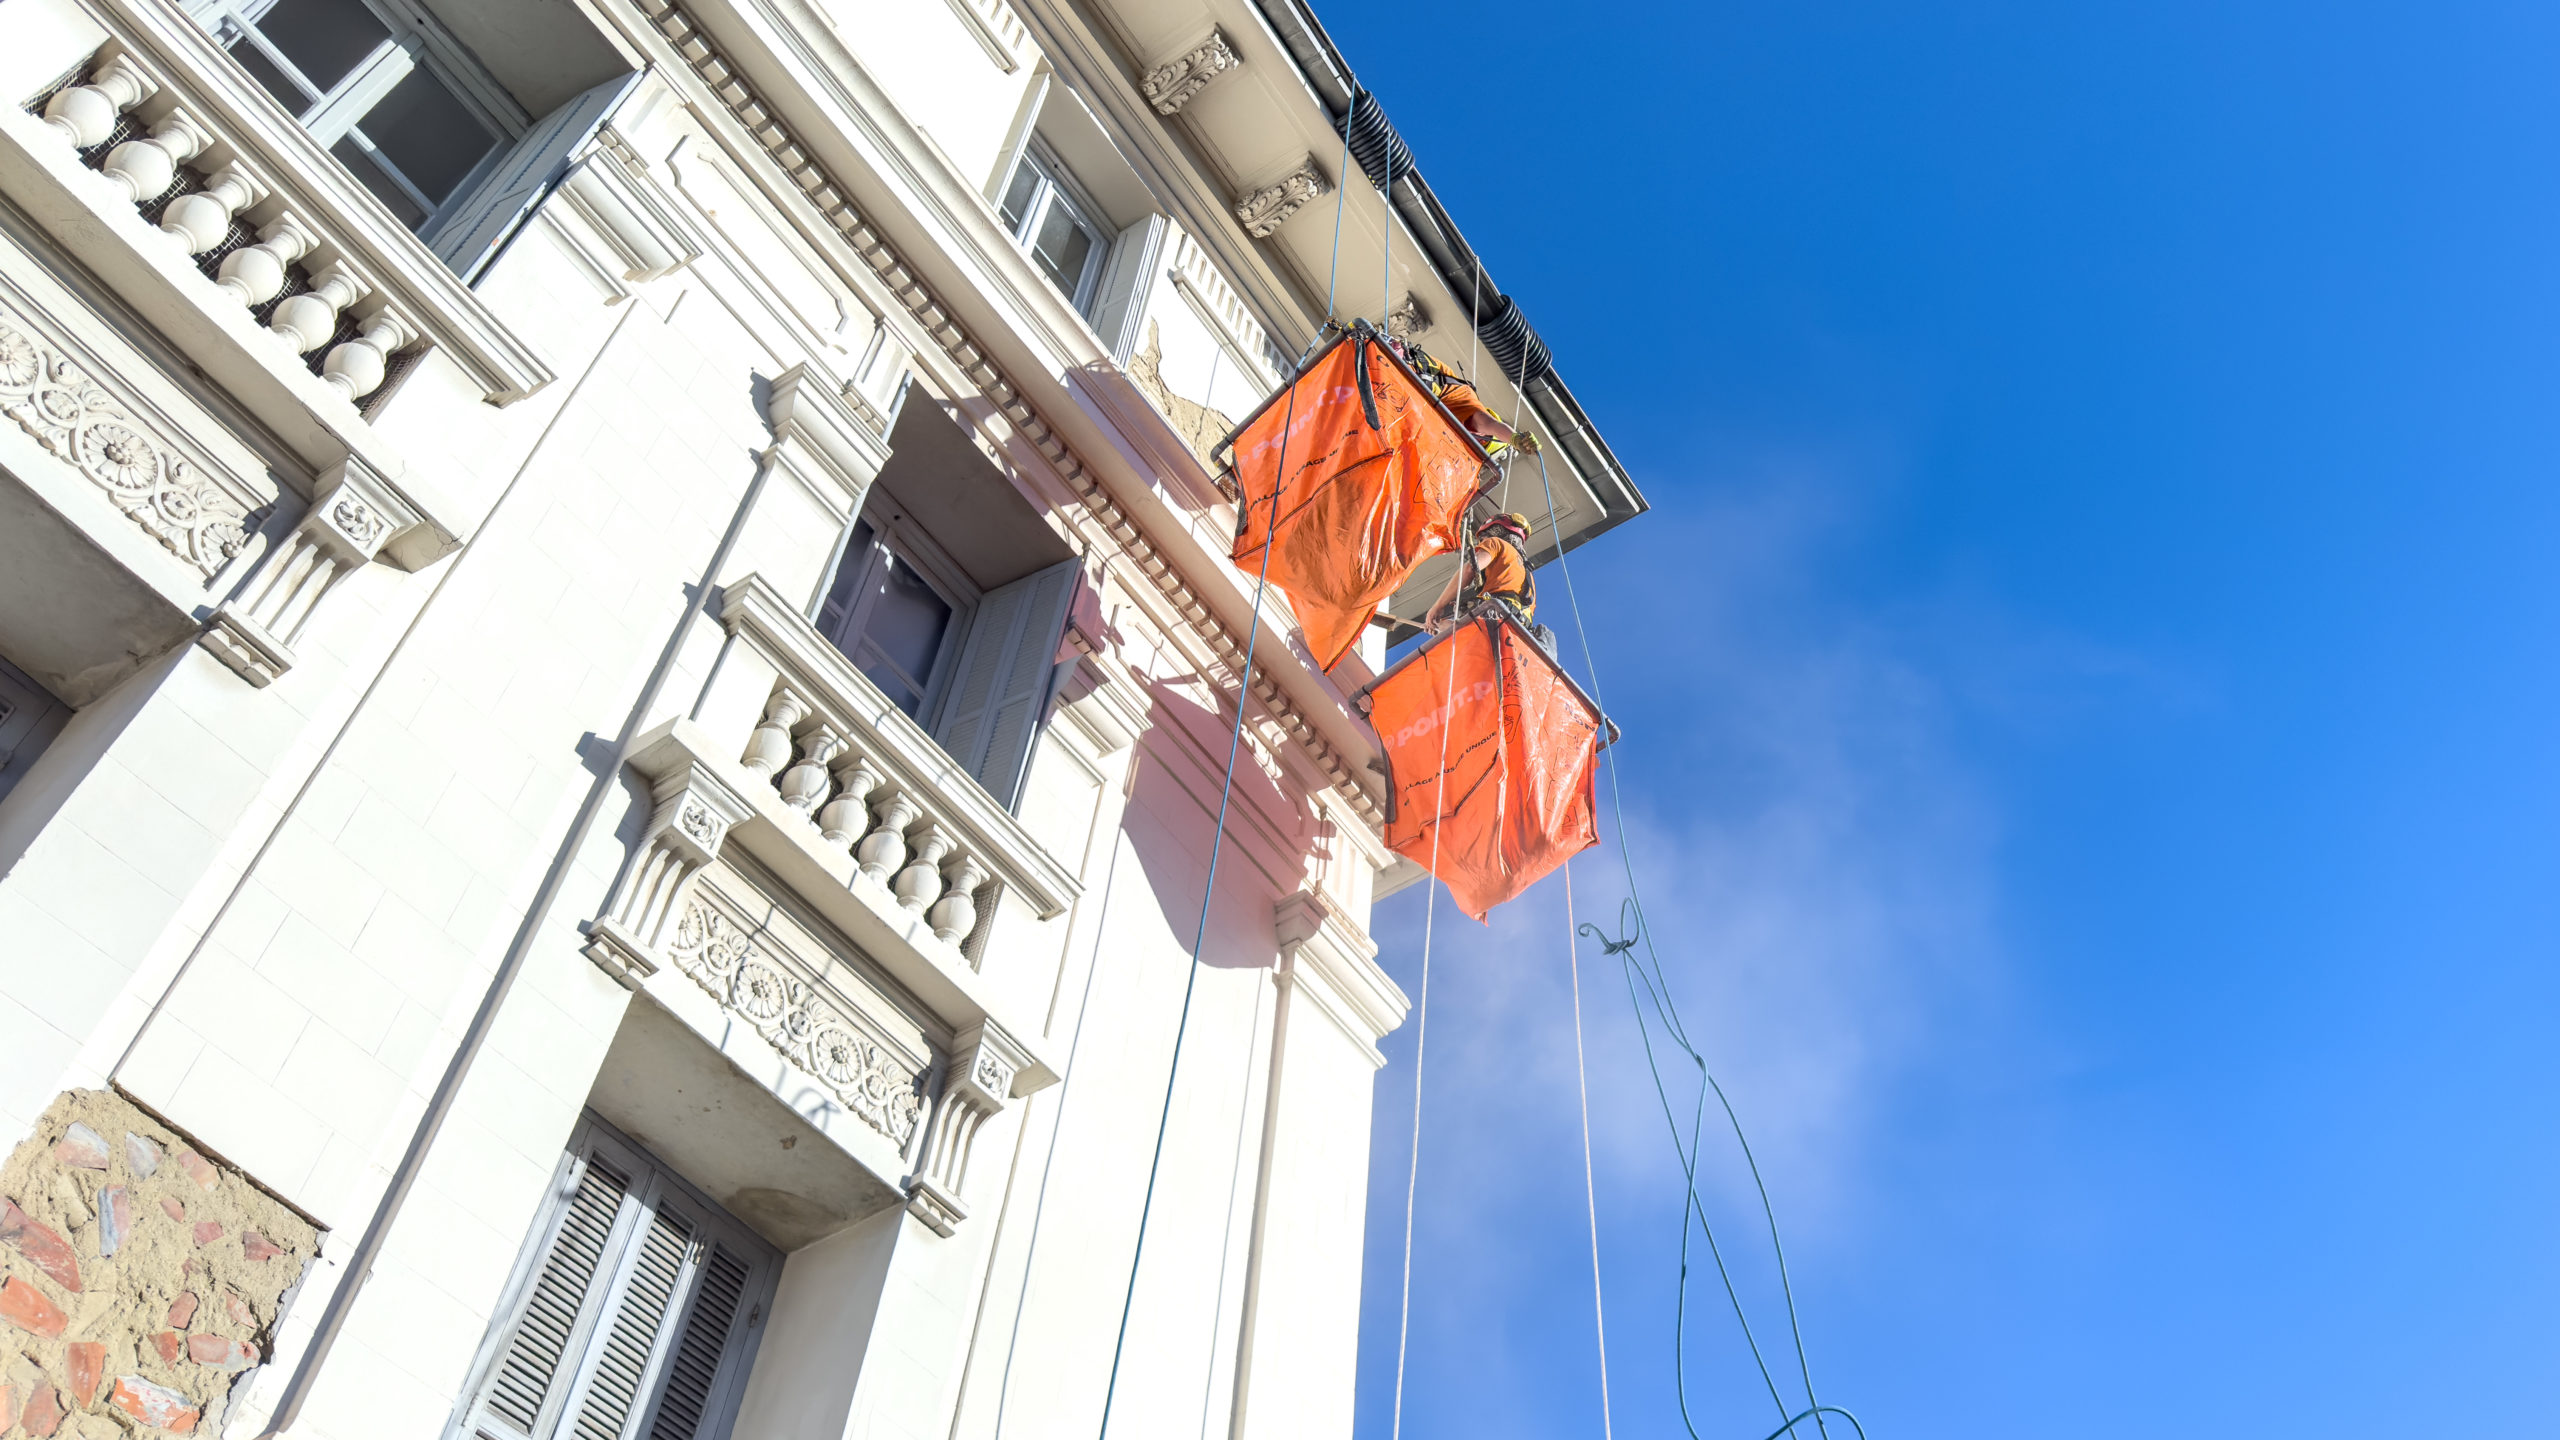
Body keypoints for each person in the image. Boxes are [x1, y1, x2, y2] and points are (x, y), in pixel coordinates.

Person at [1392, 338, 1540, 455]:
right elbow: (1490, 426)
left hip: (1409, 380)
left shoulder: (1456, 426)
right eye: (1481, 443)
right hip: (1407, 371)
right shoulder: (1472, 414)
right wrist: (1516, 440)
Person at [1425, 511, 1537, 636]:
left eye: (1483, 538)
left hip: (1493, 620)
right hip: (1516, 634)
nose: (1482, 543)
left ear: (1495, 531)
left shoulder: (1496, 543)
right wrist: (1442, 627)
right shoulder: (1527, 576)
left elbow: (1470, 570)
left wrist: (1438, 607)